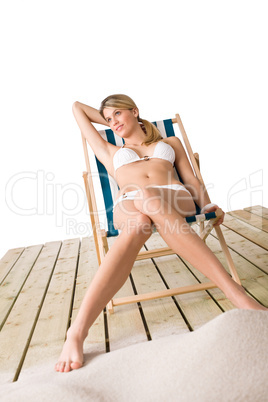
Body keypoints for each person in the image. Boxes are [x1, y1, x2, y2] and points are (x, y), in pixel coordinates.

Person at [55, 94, 267, 373]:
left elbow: (190, 179)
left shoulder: (170, 143)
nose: (112, 123)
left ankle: (78, 330)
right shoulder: (107, 150)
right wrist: (112, 118)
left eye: (118, 115)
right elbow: (77, 108)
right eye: (107, 119)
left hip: (174, 197)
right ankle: (77, 332)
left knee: (148, 204)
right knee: (140, 217)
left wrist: (206, 205)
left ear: (135, 111)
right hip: (130, 202)